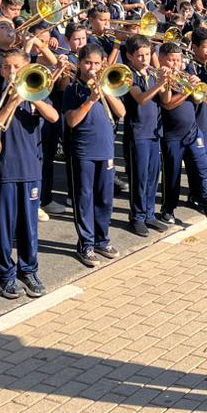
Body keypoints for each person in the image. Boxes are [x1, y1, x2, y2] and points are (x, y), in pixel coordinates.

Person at [0, 48, 58, 298]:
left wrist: (30, 96)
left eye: (17, 67)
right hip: (5, 170)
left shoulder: (38, 94)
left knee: (29, 227)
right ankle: (3, 275)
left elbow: (53, 116)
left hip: (31, 170)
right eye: (6, 67)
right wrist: (12, 102)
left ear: (27, 68)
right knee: (5, 228)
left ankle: (28, 270)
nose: (11, 71)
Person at [62, 43, 124, 266]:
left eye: (97, 64)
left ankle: (102, 239)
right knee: (84, 199)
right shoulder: (73, 90)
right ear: (79, 63)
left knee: (105, 199)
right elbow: (72, 120)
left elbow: (122, 112)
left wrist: (105, 92)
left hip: (105, 150)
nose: (92, 68)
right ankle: (85, 244)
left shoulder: (108, 86)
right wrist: (90, 100)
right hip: (83, 152)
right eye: (88, 63)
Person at [156, 41, 207, 221]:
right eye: (170, 60)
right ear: (161, 60)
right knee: (172, 175)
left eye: (178, 60)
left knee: (202, 169)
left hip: (193, 132)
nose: (175, 64)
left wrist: (198, 88)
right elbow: (167, 104)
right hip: (172, 136)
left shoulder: (184, 75)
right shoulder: (161, 78)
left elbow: (198, 100)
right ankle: (168, 209)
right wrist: (188, 91)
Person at [122, 35, 166, 236]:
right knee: (139, 176)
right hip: (137, 131)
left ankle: (150, 214)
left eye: (147, 54)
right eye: (140, 55)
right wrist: (158, 83)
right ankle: (137, 216)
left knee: (152, 176)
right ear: (130, 56)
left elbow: (165, 99)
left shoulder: (151, 72)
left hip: (154, 130)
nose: (144, 59)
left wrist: (165, 82)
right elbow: (140, 98)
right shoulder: (127, 74)